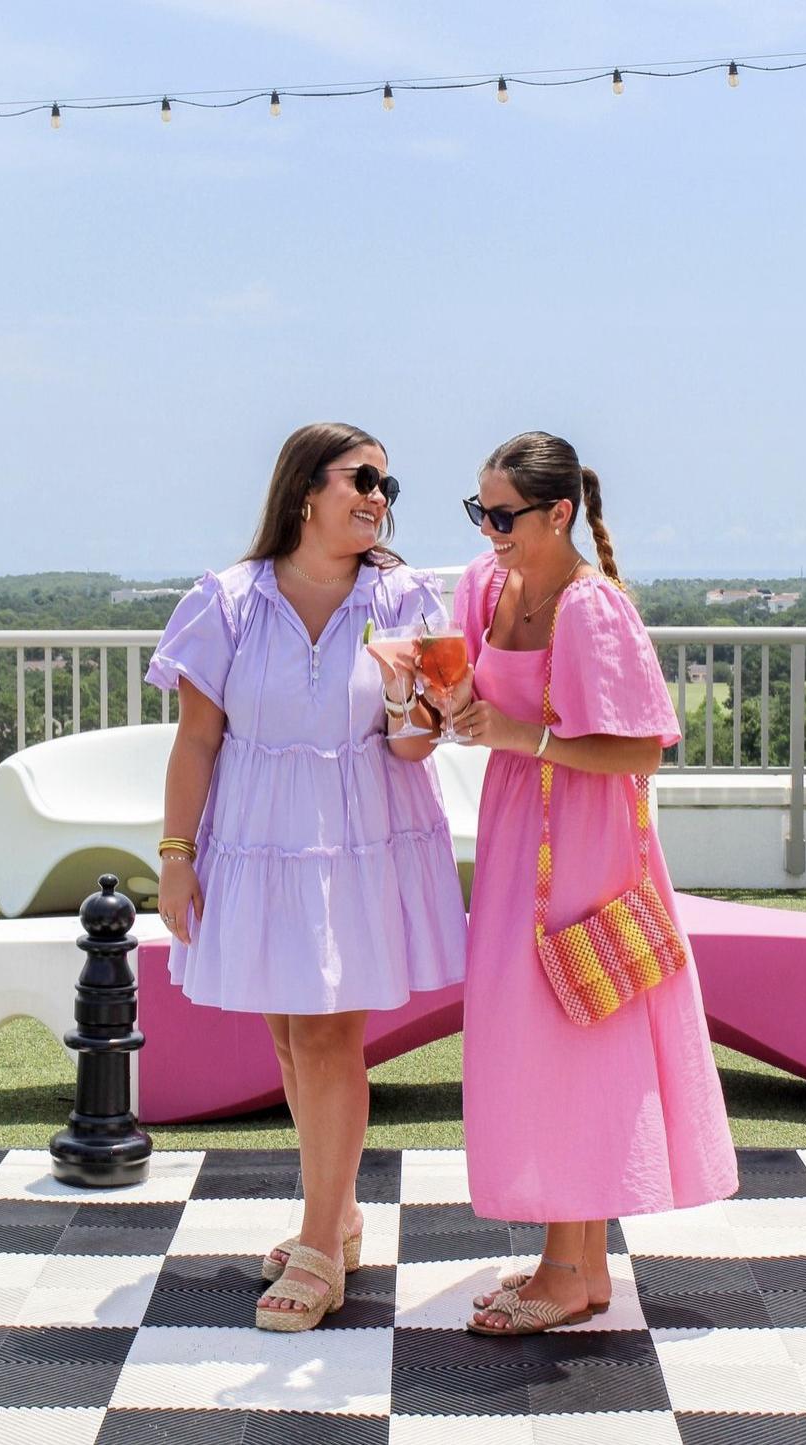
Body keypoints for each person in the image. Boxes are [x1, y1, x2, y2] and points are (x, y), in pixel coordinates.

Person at [146, 422, 466, 1334]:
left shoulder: (405, 596)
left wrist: (425, 702)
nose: (377, 495)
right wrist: (175, 856)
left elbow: (409, 748)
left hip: (362, 837)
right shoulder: (228, 600)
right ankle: (343, 1213)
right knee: (291, 1035)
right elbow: (198, 739)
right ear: (302, 491)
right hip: (256, 838)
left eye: (387, 483)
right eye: (361, 477)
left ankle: (320, 1244)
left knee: (328, 1037)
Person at [447, 431, 737, 1336]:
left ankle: (566, 1271)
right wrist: (447, 708)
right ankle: (579, 1267)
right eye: (479, 510)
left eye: (502, 514)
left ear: (557, 511)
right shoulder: (487, 587)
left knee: (572, 1040)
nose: (488, 528)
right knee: (534, 1040)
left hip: (584, 845)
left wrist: (518, 736)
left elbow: (643, 749)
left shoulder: (591, 607)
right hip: (515, 839)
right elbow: (474, 698)